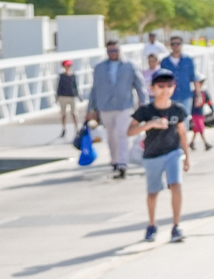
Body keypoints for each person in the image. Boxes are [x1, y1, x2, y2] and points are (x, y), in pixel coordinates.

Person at [128, 71, 190, 242]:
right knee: (153, 193)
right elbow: (130, 131)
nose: (165, 90)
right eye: (161, 86)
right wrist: (150, 124)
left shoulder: (178, 109)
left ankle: (176, 226)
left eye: (169, 86)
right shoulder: (145, 110)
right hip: (152, 155)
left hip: (173, 152)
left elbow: (182, 133)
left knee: (176, 185)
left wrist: (187, 156)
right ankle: (152, 224)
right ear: (153, 88)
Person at [86, 39, 147, 179]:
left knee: (122, 133)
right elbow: (94, 89)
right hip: (105, 106)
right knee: (111, 135)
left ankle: (122, 163)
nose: (113, 53)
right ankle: (114, 160)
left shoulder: (130, 65)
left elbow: (140, 86)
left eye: (115, 50)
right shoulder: (99, 67)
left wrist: (144, 104)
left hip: (124, 105)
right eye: (110, 51)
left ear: (120, 50)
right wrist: (90, 109)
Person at [158, 35, 199, 118]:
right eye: (173, 44)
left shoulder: (188, 60)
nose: (175, 46)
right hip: (170, 95)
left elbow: (194, 77)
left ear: (181, 45)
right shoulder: (164, 61)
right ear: (170, 45)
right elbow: (161, 79)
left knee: (185, 118)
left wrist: (198, 95)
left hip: (185, 94)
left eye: (178, 44)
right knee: (171, 119)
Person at [54, 60, 80, 136]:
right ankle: (64, 128)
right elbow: (59, 87)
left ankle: (77, 129)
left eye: (69, 66)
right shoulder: (61, 76)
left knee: (74, 113)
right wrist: (57, 97)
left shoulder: (73, 75)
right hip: (63, 96)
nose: (68, 67)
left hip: (72, 96)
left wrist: (78, 95)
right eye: (67, 66)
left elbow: (75, 86)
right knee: (63, 114)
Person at [188, 82, 214, 151]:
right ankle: (206, 143)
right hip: (194, 113)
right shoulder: (192, 94)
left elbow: (209, 102)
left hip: (200, 113)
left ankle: (192, 142)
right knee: (200, 127)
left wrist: (213, 111)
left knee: (196, 128)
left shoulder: (204, 93)